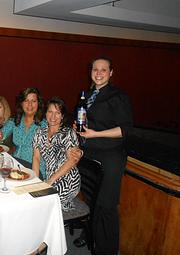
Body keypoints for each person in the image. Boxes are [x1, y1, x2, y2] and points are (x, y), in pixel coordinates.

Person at [77, 57, 133, 255]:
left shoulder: (118, 96)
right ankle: (93, 236)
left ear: (111, 73)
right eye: (95, 69)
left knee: (106, 207)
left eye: (103, 70)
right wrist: (79, 128)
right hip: (91, 156)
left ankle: (107, 250)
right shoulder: (89, 94)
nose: (98, 73)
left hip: (110, 157)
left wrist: (96, 134)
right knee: (93, 202)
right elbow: (88, 122)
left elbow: (125, 130)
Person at [32, 97, 81, 211]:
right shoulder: (39, 132)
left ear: (62, 116)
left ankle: (55, 221)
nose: (53, 116)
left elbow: (72, 161)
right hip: (50, 178)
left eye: (57, 113)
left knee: (43, 203)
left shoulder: (67, 133)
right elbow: (36, 158)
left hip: (68, 179)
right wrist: (34, 180)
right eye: (50, 112)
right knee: (32, 197)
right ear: (45, 113)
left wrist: (51, 181)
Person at [0, 87, 47, 179]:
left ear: (38, 104)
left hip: (35, 169)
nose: (30, 104)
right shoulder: (14, 121)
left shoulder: (45, 124)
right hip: (15, 165)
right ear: (21, 103)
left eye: (33, 101)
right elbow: (1, 136)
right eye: (26, 100)